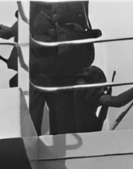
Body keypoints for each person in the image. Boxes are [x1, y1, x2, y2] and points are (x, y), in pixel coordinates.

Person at [29, 1, 102, 134]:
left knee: (32, 125)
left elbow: (33, 23)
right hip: (64, 64)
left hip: (45, 66)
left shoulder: (41, 10)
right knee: (62, 124)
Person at [49, 66, 133, 134]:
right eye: (102, 88)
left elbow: (97, 126)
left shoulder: (71, 94)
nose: (103, 91)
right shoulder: (89, 95)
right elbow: (118, 101)